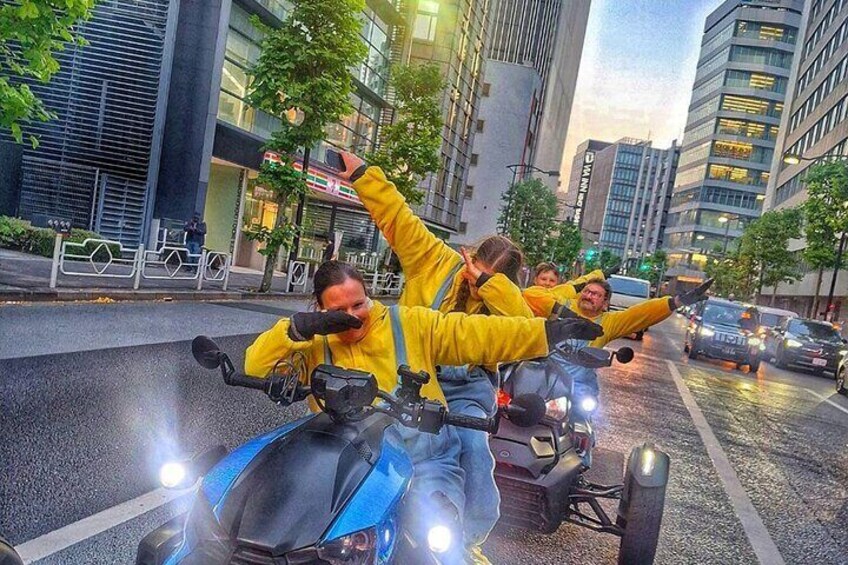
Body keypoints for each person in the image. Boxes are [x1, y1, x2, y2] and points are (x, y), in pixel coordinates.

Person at [244, 261, 603, 560]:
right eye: (338, 312)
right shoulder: (312, 342)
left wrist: (546, 333)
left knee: (439, 539)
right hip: (342, 465)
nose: (353, 318)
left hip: (423, 462)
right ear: (321, 310)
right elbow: (256, 369)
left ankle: (465, 547)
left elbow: (479, 334)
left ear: (369, 297)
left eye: (359, 305)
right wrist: (295, 330)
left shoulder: (409, 323)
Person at [333, 151, 535, 561]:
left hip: (465, 392)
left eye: (487, 279)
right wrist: (363, 175)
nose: (473, 281)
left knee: (470, 447)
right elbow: (399, 218)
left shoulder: (505, 299)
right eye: (474, 270)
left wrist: (492, 287)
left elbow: (526, 331)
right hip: (411, 373)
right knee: (357, 432)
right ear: (468, 254)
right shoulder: (434, 260)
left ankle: (464, 538)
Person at [526, 278, 714, 398]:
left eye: (595, 294)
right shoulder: (562, 304)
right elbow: (530, 294)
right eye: (587, 291)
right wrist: (567, 308)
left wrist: (676, 302)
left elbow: (641, 313)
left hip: (578, 386)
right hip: (542, 374)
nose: (589, 296)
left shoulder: (609, 322)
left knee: (581, 423)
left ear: (605, 303)